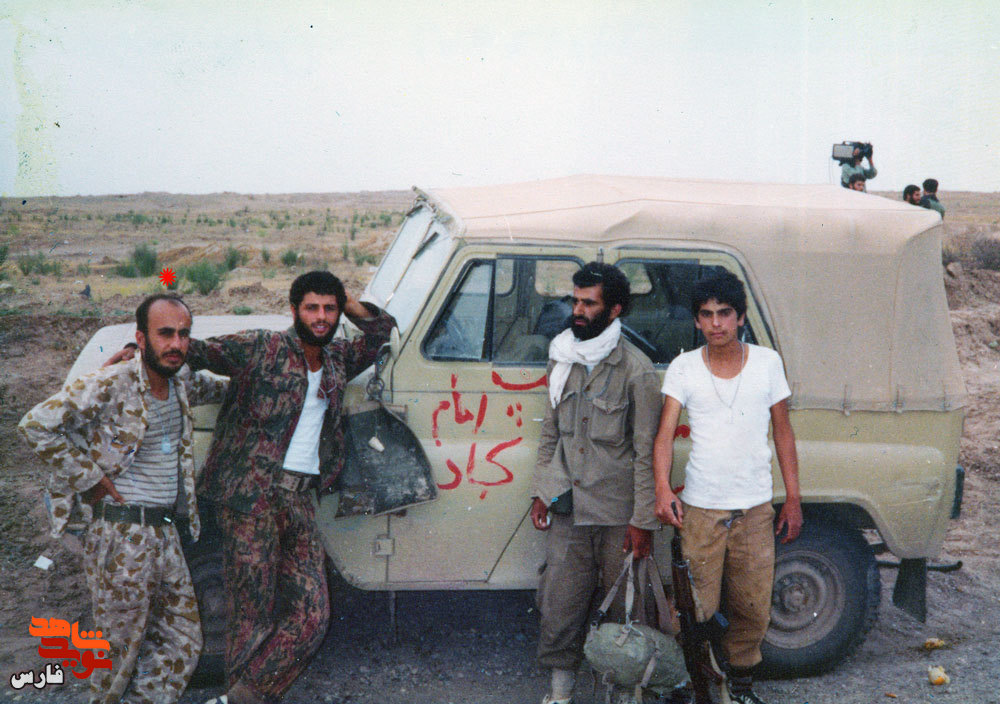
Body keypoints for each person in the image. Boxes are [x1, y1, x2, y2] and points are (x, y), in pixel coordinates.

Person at [184, 271, 395, 704]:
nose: (321, 317)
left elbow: (380, 333)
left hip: (298, 500)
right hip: (250, 499)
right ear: (294, 309)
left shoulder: (337, 359)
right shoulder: (262, 347)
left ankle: (239, 698)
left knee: (313, 615)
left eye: (329, 309)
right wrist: (136, 352)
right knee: (251, 615)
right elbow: (195, 351)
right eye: (312, 307)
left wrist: (347, 299)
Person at [18, 294, 228, 704]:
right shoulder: (112, 383)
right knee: (117, 655)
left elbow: (225, 389)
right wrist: (89, 478)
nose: (176, 344)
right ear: (141, 338)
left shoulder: (182, 383)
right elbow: (35, 424)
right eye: (164, 333)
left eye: (183, 334)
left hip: (164, 534)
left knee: (182, 642)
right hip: (122, 535)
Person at [652, 272, 802, 704]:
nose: (716, 323)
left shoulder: (767, 363)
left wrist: (792, 499)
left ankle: (741, 688)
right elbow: (664, 436)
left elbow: (783, 432)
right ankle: (689, 684)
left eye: (724, 313)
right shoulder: (683, 367)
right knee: (694, 607)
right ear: (696, 320)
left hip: (754, 508)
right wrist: (663, 489)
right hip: (701, 509)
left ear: (740, 317)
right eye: (706, 314)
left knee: (752, 606)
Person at [530, 262, 663, 704]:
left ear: (615, 309)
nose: (578, 311)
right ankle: (560, 695)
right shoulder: (562, 355)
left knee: (624, 610)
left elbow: (646, 453)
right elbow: (550, 434)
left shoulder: (636, 371)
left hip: (617, 513)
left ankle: (623, 695)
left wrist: (642, 521)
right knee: (559, 604)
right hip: (568, 505)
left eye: (589, 303)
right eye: (576, 301)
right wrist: (541, 491)